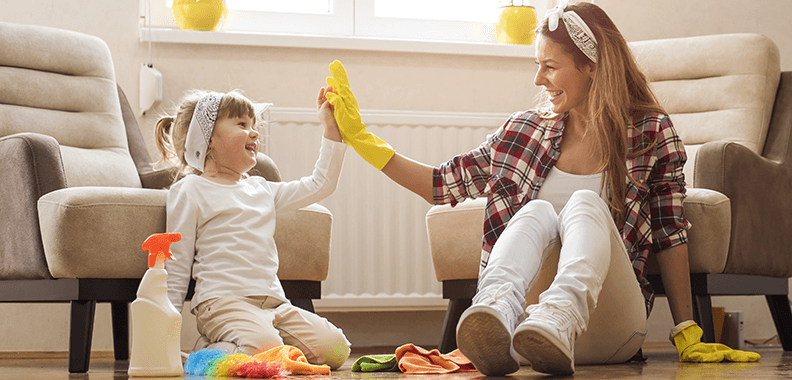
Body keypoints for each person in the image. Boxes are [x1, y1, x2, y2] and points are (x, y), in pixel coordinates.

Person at [325, 1, 761, 375]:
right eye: (537, 65)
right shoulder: (523, 132)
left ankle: (562, 313)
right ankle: (493, 309)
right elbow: (440, 185)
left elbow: (670, 233)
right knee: (534, 213)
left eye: (550, 66)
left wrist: (687, 331)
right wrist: (361, 137)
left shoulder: (650, 133)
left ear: (592, 67)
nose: (538, 79)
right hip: (524, 337)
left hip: (607, 328)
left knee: (585, 204)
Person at [155, 88, 351, 369]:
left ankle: (263, 347)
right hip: (222, 302)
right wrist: (166, 339)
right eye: (241, 125)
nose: (254, 133)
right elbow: (176, 265)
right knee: (264, 349)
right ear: (208, 140)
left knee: (336, 349)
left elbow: (320, 184)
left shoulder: (260, 188)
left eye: (253, 125)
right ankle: (205, 353)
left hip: (274, 304)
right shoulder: (191, 189)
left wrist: (330, 128)